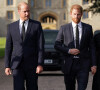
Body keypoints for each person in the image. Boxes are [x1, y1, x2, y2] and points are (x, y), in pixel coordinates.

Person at [54, 4, 96, 90]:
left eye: (78, 14)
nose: (76, 16)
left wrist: (94, 64)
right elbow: (57, 45)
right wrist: (69, 50)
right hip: (69, 64)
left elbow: (92, 47)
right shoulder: (64, 28)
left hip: (83, 64)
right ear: (70, 14)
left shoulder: (88, 28)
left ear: (81, 14)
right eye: (74, 14)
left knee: (82, 88)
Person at [5, 2, 44, 90]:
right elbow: (8, 47)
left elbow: (40, 46)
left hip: (32, 65)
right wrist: (7, 65)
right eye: (25, 11)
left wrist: (40, 64)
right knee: (18, 88)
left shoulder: (36, 25)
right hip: (17, 65)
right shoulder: (11, 26)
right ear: (19, 11)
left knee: (32, 88)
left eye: (28, 11)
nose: (27, 13)